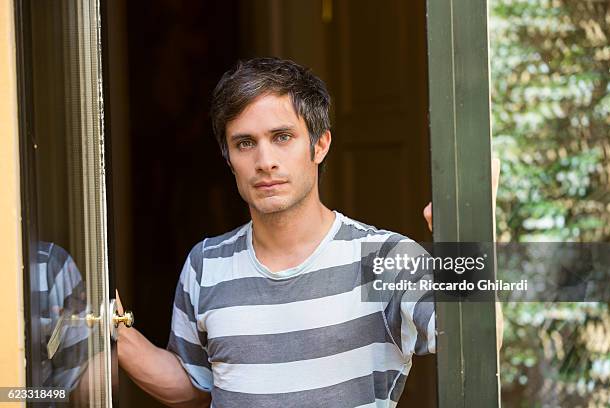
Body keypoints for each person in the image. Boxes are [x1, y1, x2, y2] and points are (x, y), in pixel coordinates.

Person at [117, 57, 498, 407]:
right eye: (245, 143)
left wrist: (468, 240)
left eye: (282, 137)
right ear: (228, 158)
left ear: (320, 145)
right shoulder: (206, 264)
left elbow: (477, 343)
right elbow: (194, 384)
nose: (265, 162)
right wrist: (114, 331)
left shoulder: (384, 258)